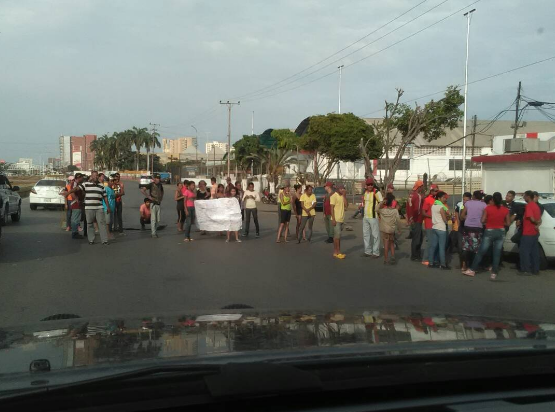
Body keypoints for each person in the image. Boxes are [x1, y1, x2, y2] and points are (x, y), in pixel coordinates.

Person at [463, 192, 510, 280]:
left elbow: (482, 220)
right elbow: (508, 223)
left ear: (493, 199)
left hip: (489, 231)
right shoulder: (505, 209)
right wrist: (500, 223)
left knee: (481, 251)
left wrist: (489, 221)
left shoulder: (488, 208)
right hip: (501, 231)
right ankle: (494, 273)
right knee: (497, 253)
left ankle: (472, 269)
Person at [63, 170, 110, 245]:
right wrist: (68, 192)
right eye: (94, 175)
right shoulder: (86, 184)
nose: (95, 177)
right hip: (89, 208)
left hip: (99, 207)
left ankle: (104, 240)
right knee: (89, 224)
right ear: (91, 176)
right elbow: (77, 188)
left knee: (102, 223)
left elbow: (105, 197)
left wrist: (108, 207)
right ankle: (91, 240)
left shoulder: (101, 186)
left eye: (96, 175)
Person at [459, 190, 486, 272]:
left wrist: (468, 217)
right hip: (478, 228)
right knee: (476, 248)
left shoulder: (468, 203)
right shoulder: (484, 205)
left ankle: (464, 265)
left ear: (473, 196)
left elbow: (462, 216)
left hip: (468, 227)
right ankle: (473, 266)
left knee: (466, 247)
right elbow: (484, 218)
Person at [519, 190, 542, 276]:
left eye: (524, 196)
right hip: (534, 232)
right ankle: (536, 269)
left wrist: (535, 223)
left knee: (524, 251)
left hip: (528, 232)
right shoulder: (536, 206)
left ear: (528, 197)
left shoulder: (528, 206)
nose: (524, 198)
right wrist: (537, 224)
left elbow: (531, 218)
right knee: (534, 252)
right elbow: (540, 219)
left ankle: (526, 270)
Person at [361, 178, 383, 258]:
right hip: (366, 217)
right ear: (366, 186)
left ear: (373, 185)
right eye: (368, 184)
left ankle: (376, 252)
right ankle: (368, 251)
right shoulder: (365, 193)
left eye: (371, 184)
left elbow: (381, 202)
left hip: (373, 217)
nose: (370, 186)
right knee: (366, 234)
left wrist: (377, 209)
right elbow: (364, 203)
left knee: (375, 235)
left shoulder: (376, 192)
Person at [428, 191, 450, 269]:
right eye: (443, 197)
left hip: (434, 227)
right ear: (439, 198)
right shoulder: (441, 207)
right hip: (441, 228)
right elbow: (444, 218)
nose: (445, 199)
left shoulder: (433, 205)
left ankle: (431, 262)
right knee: (441, 247)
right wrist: (447, 221)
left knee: (433, 246)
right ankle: (443, 264)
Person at [378, 193, 400, 264]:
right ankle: (393, 257)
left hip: (385, 230)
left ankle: (386, 259)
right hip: (391, 229)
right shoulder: (395, 211)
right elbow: (398, 221)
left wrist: (381, 202)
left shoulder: (383, 210)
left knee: (386, 244)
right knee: (392, 243)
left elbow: (376, 209)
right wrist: (399, 229)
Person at [140, 173, 164, 238]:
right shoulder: (151, 185)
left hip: (158, 203)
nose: (157, 179)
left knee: (158, 220)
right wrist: (148, 196)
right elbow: (142, 190)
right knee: (153, 219)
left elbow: (162, 192)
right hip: (153, 203)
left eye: (158, 178)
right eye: (156, 178)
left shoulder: (160, 185)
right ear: (154, 179)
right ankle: (153, 233)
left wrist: (161, 198)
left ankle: (154, 231)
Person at [420, 184, 439, 266]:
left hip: (435, 224)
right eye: (435, 191)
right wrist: (432, 216)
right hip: (429, 224)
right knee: (430, 242)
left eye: (437, 190)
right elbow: (423, 212)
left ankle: (432, 258)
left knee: (434, 242)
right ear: (431, 191)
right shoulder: (427, 200)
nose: (436, 192)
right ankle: (425, 258)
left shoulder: (436, 200)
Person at [62, 173, 84, 239]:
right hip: (75, 204)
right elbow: (72, 193)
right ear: (79, 178)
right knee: (75, 219)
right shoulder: (74, 184)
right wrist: (76, 199)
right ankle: (74, 233)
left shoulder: (77, 184)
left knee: (76, 219)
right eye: (82, 177)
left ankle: (75, 232)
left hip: (77, 203)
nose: (82, 179)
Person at [407, 181, 424, 261]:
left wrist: (409, 218)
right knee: (417, 238)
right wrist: (415, 219)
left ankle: (415, 254)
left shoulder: (411, 194)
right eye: (422, 186)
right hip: (417, 219)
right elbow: (417, 209)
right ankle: (415, 255)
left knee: (416, 237)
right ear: (419, 187)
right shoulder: (418, 196)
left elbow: (408, 207)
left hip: (412, 219)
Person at [454, 192, 472, 270]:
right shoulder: (459, 204)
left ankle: (467, 264)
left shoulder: (472, 206)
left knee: (468, 247)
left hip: (469, 229)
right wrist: (458, 221)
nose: (465, 201)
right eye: (464, 199)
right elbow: (456, 212)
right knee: (460, 247)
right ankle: (461, 263)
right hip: (461, 228)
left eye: (467, 200)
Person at [330, 184, 348, 259]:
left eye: (343, 189)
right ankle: (338, 252)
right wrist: (333, 219)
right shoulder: (334, 196)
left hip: (341, 219)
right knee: (337, 236)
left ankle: (336, 251)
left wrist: (344, 196)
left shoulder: (342, 196)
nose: (342, 190)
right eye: (341, 189)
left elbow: (346, 205)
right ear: (338, 189)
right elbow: (331, 208)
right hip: (336, 219)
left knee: (337, 237)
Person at [100, 173, 116, 241]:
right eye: (111, 181)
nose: (112, 183)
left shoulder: (112, 189)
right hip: (107, 208)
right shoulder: (106, 188)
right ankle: (107, 234)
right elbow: (104, 198)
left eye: (113, 181)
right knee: (107, 222)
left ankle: (109, 233)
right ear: (108, 181)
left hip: (112, 208)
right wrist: (108, 207)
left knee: (110, 222)